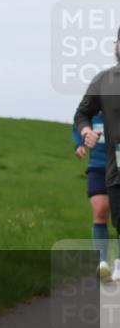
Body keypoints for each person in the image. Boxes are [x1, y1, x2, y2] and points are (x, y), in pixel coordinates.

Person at [74, 26, 120, 283]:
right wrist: (85, 133)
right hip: (106, 163)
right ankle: (105, 261)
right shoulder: (104, 80)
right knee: (104, 210)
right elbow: (81, 115)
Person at [71, 110, 112, 280]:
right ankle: (102, 263)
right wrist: (80, 144)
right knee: (100, 211)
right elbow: (78, 125)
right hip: (97, 168)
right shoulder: (91, 111)